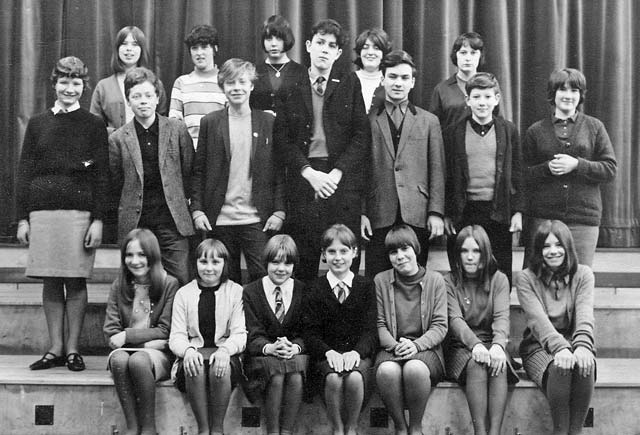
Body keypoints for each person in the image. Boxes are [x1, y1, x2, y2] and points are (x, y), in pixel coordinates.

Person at [16, 56, 108, 372]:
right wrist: (23, 218)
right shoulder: (38, 123)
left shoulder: (94, 124)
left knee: (75, 280)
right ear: (54, 84)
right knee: (52, 281)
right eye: (64, 82)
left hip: (78, 213)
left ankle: (72, 349)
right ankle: (54, 348)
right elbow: (24, 171)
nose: (70, 89)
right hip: (42, 213)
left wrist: (98, 219)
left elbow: (102, 175)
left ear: (84, 86)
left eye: (76, 83)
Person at [274, 18, 371, 283]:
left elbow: (361, 136)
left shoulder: (349, 83)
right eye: (319, 43)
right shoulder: (290, 84)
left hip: (340, 181)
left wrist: (336, 174)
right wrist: (309, 173)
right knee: (303, 258)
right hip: (304, 179)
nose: (324, 49)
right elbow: (282, 140)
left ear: (339, 53)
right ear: (308, 46)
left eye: (331, 46)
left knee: (345, 257)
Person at [190, 58, 285, 284]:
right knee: (224, 284)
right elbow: (199, 170)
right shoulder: (210, 123)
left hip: (257, 218)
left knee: (263, 281)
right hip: (220, 219)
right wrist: (197, 211)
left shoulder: (267, 122)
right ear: (222, 87)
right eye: (230, 83)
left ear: (251, 85)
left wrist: (279, 211)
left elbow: (278, 170)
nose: (237, 88)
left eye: (242, 82)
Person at [361, 50, 445, 279]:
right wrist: (362, 212)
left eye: (404, 78)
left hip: (416, 211)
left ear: (413, 82)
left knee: (415, 278)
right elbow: (360, 169)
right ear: (382, 79)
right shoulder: (368, 121)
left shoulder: (429, 121)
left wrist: (435, 212)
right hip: (379, 212)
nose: (398, 83)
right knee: (377, 279)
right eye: (393, 77)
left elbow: (437, 169)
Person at [109, 67, 194, 286]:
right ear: (128, 101)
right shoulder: (118, 138)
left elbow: (189, 172)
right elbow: (116, 183)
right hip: (137, 222)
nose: (143, 101)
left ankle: (175, 322)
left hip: (172, 222)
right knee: (137, 282)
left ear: (157, 97)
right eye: (136, 96)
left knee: (180, 279)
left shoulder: (177, 130)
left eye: (148, 95)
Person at [523, 68, 617, 267]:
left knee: (578, 277)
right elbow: (523, 176)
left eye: (574, 90)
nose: (568, 96)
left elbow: (610, 169)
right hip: (543, 219)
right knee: (539, 278)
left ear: (580, 95)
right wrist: (547, 168)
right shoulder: (536, 131)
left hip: (583, 219)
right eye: (562, 90)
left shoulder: (595, 127)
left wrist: (577, 165)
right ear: (553, 93)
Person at [516, 220, 596, 435]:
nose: (553, 251)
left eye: (558, 245)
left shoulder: (583, 274)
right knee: (562, 365)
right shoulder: (526, 278)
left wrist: (582, 345)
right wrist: (561, 348)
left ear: (568, 247)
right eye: (546, 246)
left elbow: (585, 314)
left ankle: (575, 432)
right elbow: (537, 321)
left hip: (574, 342)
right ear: (538, 250)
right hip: (538, 347)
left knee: (585, 362)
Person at [443, 72, 523, 284]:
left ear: (497, 99)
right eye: (477, 97)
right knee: (464, 268)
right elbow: (447, 175)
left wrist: (517, 211)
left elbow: (518, 173)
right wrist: (447, 213)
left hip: (498, 211)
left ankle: (499, 315)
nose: (482, 103)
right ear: (468, 100)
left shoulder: (508, 130)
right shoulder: (453, 132)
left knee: (499, 269)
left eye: (488, 97)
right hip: (464, 211)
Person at [303, 224, 377, 435]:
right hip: (326, 356)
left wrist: (356, 352)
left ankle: (351, 428)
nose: (338, 257)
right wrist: (328, 352)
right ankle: (336, 428)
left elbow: (370, 330)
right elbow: (310, 332)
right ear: (323, 255)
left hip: (357, 355)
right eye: (331, 252)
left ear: (354, 253)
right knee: (334, 378)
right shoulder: (314, 288)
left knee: (354, 377)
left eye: (344, 251)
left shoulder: (365, 286)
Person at [104, 229, 179, 435]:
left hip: (157, 356)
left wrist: (127, 337)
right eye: (129, 255)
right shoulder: (119, 285)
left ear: (152, 256)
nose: (135, 261)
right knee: (119, 360)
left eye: (141, 255)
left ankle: (148, 428)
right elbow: (111, 332)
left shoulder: (168, 284)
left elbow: (165, 330)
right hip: (130, 351)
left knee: (138, 360)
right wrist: (145, 342)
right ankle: (132, 427)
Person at [445, 225, 518, 435]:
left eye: (476, 251)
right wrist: (475, 344)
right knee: (477, 363)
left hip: (491, 341)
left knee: (499, 363)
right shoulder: (448, 281)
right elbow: (455, 320)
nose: (469, 257)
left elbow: (502, 317)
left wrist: (497, 345)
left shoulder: (499, 280)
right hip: (461, 347)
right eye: (464, 251)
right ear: (457, 254)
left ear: (485, 253)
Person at [374, 224, 447, 435]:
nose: (400, 256)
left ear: (416, 249)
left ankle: (415, 428)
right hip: (391, 347)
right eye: (393, 252)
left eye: (405, 249)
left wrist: (416, 345)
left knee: (415, 368)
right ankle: (400, 427)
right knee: (387, 371)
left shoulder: (435, 280)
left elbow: (440, 325)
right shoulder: (381, 280)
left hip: (427, 349)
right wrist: (396, 346)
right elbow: (380, 324)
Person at [169, 238, 246, 435]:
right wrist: (187, 350)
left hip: (224, 355)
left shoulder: (236, 291)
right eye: (203, 262)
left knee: (218, 368)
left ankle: (217, 430)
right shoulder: (184, 293)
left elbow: (239, 333)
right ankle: (203, 429)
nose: (209, 268)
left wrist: (226, 351)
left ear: (225, 264)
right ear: (195, 263)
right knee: (194, 365)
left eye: (215, 262)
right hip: (194, 354)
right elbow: (176, 336)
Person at [243, 234, 307, 435]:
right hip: (262, 357)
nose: (281, 268)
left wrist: (294, 347)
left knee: (296, 375)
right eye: (275, 262)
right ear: (266, 262)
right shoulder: (251, 291)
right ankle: (272, 431)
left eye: (287, 263)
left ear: (294, 266)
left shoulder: (302, 290)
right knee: (277, 374)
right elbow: (252, 333)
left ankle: (286, 431)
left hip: (293, 355)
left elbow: (307, 331)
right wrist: (270, 347)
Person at [91, 26, 168, 135]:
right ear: (117, 48)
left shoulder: (156, 84)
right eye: (124, 43)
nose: (129, 49)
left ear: (142, 49)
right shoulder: (103, 86)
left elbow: (162, 120)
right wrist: (118, 135)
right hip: (113, 147)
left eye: (135, 44)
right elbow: (95, 125)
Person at [169, 24, 227, 149]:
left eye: (204, 47)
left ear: (215, 49)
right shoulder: (181, 83)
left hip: (218, 152)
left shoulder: (226, 81)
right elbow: (174, 124)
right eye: (195, 48)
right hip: (189, 153)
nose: (199, 53)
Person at [250, 15, 307, 117]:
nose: (274, 44)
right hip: (262, 130)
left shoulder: (301, 72)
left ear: (287, 39)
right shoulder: (254, 71)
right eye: (268, 39)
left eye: (279, 39)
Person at [429, 32, 486, 131]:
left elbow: (500, 125)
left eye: (473, 53)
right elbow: (433, 129)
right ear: (456, 55)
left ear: (480, 56)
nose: (468, 58)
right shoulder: (442, 89)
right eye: (463, 53)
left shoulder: (490, 86)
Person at [352, 28, 392, 113]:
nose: (370, 52)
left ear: (383, 53)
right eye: (365, 48)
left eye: (376, 48)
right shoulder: (348, 80)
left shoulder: (390, 81)